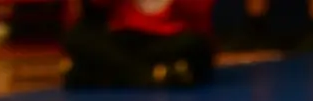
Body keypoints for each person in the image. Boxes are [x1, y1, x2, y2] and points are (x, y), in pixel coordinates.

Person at [63, 0, 217, 88]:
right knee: (79, 37)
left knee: (196, 45)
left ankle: (110, 74)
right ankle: (153, 74)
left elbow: (199, 13)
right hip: (126, 40)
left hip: (168, 39)